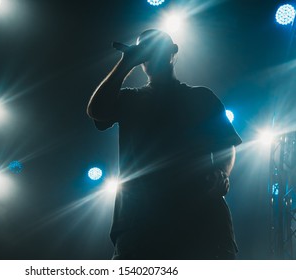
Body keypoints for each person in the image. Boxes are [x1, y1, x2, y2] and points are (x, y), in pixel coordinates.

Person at [87, 29, 242, 259]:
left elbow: (226, 144)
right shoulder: (129, 99)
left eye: (157, 48)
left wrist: (222, 171)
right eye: (144, 50)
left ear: (173, 52)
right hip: (141, 223)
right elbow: (96, 111)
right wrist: (126, 63)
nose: (151, 55)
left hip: (201, 220)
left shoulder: (201, 97)